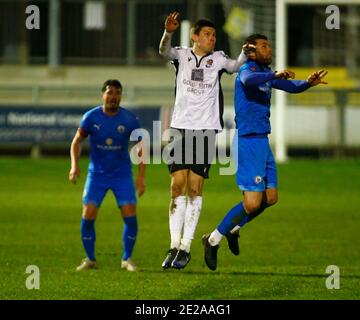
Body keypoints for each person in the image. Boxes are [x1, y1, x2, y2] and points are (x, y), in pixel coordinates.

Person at [202, 34, 328, 271]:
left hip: (262, 142)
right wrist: (274, 74)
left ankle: (234, 229)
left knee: (270, 198)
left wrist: (308, 83)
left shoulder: (266, 74)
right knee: (251, 204)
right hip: (248, 142)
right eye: (264, 46)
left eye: (269, 45)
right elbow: (248, 79)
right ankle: (212, 240)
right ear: (252, 50)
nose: (269, 49)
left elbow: (291, 86)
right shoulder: (248, 70)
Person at [158, 11, 248, 269]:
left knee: (195, 188)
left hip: (205, 129)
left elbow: (235, 67)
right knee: (177, 186)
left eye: (214, 35)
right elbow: (164, 50)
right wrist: (168, 31)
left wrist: (243, 52)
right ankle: (173, 245)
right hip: (180, 127)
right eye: (207, 35)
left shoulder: (219, 59)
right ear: (195, 37)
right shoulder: (182, 55)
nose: (212, 39)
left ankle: (186, 246)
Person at [69, 79, 146, 272]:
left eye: (117, 93)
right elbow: (76, 142)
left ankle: (127, 259)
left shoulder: (129, 119)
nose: (114, 97)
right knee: (88, 215)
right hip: (97, 175)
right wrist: (74, 166)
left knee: (130, 216)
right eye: (110, 93)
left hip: (122, 175)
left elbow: (141, 148)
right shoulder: (91, 117)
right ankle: (90, 259)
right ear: (103, 95)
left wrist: (141, 177)